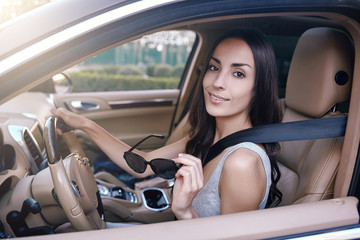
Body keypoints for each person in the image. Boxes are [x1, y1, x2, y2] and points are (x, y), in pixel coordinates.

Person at [51, 28, 282, 220]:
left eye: (239, 74)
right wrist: (84, 124)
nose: (218, 82)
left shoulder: (242, 162)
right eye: (214, 67)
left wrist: (184, 211)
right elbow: (141, 165)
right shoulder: (207, 138)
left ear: (259, 88)